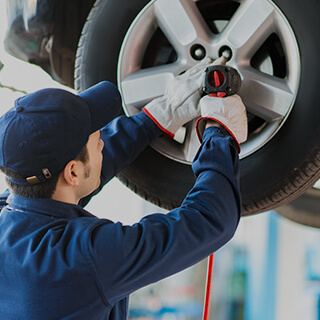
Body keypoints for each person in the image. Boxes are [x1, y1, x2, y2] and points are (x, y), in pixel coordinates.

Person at [0, 58, 247, 319]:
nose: (102, 143)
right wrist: (219, 134)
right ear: (72, 172)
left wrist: (158, 116)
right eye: (97, 139)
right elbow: (210, 220)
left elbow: (75, 178)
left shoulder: (14, 211)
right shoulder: (84, 260)